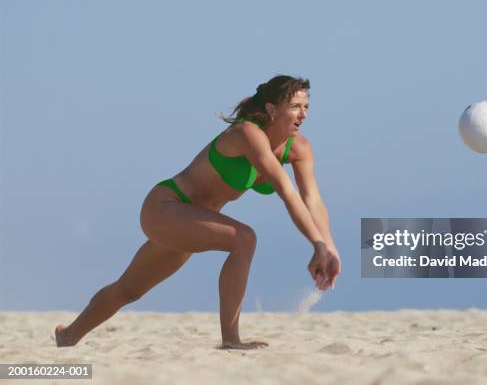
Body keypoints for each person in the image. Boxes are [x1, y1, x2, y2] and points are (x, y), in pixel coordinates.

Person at [55, 75, 341, 350]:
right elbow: (285, 189)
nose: (303, 114)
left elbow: (312, 199)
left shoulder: (299, 148)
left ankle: (68, 336)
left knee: (127, 290)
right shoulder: (247, 134)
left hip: (193, 222)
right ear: (271, 108)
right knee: (244, 238)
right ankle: (231, 339)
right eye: (295, 107)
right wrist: (316, 244)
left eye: (306, 107)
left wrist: (328, 247)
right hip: (166, 208)